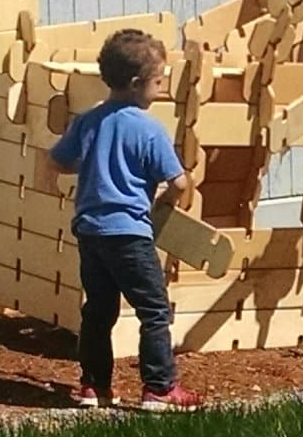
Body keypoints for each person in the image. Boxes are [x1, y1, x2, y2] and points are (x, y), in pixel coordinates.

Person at [48, 29, 202, 411]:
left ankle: (94, 386)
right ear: (137, 84)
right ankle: (159, 388)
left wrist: (63, 184)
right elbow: (179, 181)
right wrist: (166, 199)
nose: (161, 88)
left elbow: (58, 160)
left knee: (98, 311)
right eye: (158, 81)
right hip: (129, 234)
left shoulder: (88, 122)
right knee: (154, 310)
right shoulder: (149, 129)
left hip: (90, 231)